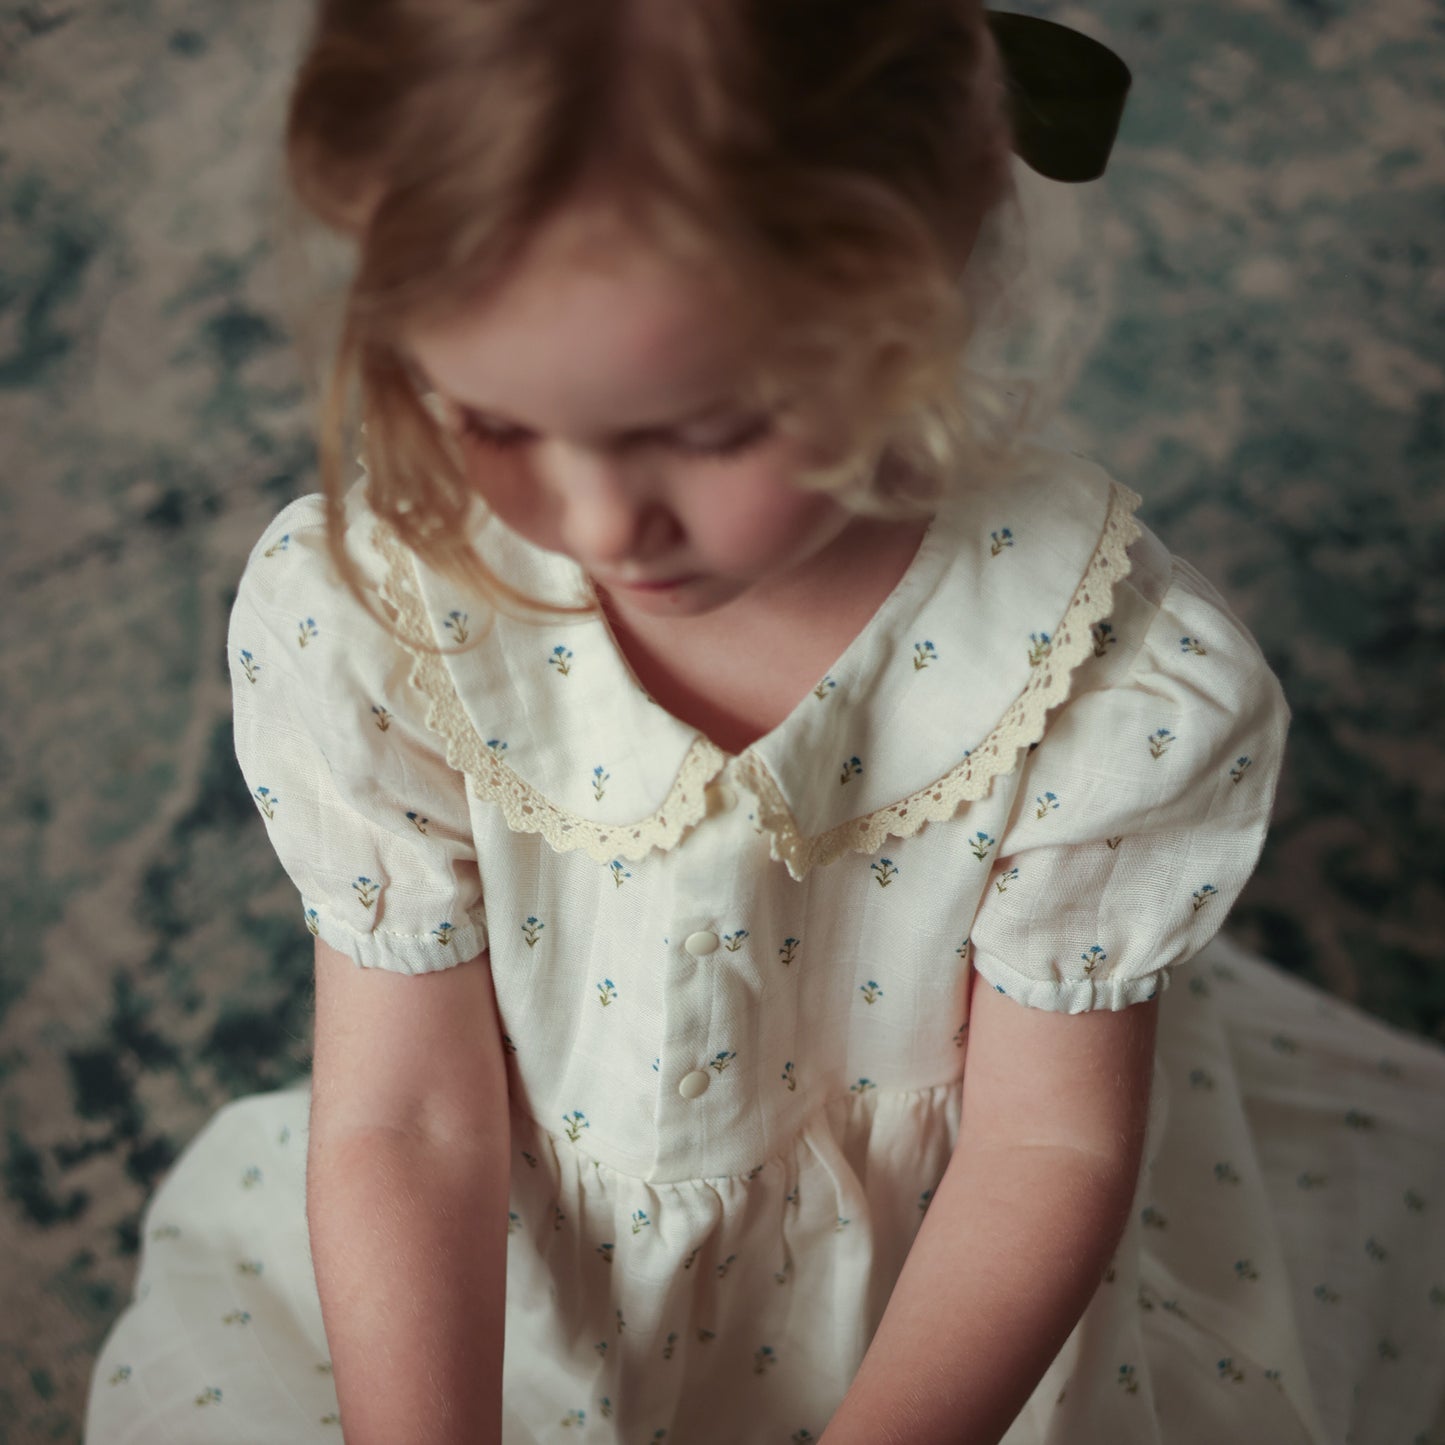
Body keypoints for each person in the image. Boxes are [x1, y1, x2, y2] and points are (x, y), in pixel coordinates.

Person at [86, 2, 1445, 1443]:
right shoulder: (383, 616)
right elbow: (407, 1116)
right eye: (491, 420)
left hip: (944, 1278)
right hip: (513, 1258)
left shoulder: (1103, 679)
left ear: (914, 292)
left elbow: (1046, 1141)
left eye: (713, 427)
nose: (603, 521)